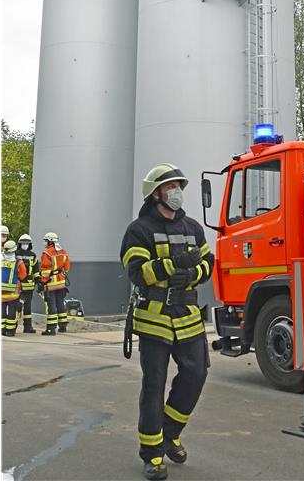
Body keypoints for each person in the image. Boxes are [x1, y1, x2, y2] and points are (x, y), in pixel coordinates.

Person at [120, 163, 215, 480]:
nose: (177, 191)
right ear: (156, 192)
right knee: (153, 387)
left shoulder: (192, 227)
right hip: (154, 319)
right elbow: (138, 273)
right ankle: (152, 454)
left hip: (188, 317)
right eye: (171, 185)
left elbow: (207, 264)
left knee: (196, 374)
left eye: (179, 185)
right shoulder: (139, 230)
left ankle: (170, 432)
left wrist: (192, 272)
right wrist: (175, 263)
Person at [39, 231, 71, 336]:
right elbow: (67, 268)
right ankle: (62, 327)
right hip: (61, 283)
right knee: (60, 304)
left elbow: (45, 271)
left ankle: (51, 329)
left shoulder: (46, 253)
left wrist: (42, 282)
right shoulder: (63, 252)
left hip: (51, 284)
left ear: (50, 241)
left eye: (46, 241)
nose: (45, 243)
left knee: (51, 305)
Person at [1, 239, 27, 337]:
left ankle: (1, 329)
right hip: (13, 292)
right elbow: (23, 275)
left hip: (1, 291)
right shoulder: (18, 262)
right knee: (12, 310)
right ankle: (10, 331)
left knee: (2, 310)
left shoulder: (1, 260)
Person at [16, 234, 38, 333]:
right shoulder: (15, 254)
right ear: (19, 244)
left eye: (27, 243)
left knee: (28, 306)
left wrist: (38, 280)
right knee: (17, 306)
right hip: (18, 284)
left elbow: (36, 269)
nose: (25, 245)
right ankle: (12, 325)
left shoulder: (33, 255)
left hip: (29, 285)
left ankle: (28, 326)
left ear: (29, 244)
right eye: (23, 243)